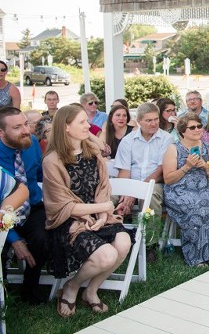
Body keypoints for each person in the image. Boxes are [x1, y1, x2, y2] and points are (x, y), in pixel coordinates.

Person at [42, 104, 132, 317]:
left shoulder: (92, 153)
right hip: (69, 221)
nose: (88, 126)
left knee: (124, 242)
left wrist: (102, 215)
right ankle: (72, 287)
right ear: (65, 127)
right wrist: (103, 208)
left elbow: (102, 187)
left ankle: (91, 290)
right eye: (82, 122)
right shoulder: (52, 161)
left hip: (98, 216)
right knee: (106, 255)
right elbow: (63, 205)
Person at [162, 113, 209, 267]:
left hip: (202, 189)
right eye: (192, 127)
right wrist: (187, 166)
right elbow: (168, 179)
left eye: (199, 126)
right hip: (179, 191)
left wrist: (205, 166)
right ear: (182, 131)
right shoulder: (174, 148)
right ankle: (197, 256)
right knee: (197, 209)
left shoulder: (207, 146)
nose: (197, 129)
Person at [0, 106, 48, 304]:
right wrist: (14, 239)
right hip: (2, 213)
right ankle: (3, 291)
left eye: (26, 124)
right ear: (1, 133)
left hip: (32, 207)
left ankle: (30, 289)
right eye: (17, 127)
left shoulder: (32, 143)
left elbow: (39, 177)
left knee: (43, 239)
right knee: (1, 247)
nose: (26, 130)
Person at [113, 102, 173, 216]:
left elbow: (160, 172)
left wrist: (135, 191)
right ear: (138, 121)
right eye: (149, 120)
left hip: (155, 184)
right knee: (109, 195)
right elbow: (124, 171)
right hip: (130, 183)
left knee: (150, 193)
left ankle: (149, 233)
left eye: (156, 119)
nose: (154, 123)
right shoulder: (128, 140)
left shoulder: (166, 139)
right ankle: (109, 229)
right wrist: (125, 192)